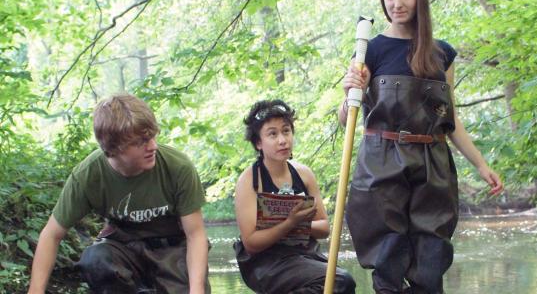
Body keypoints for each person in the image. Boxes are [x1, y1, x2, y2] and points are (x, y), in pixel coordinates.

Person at [339, 0, 504, 292]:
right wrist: (350, 93)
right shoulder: (369, 51)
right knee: (388, 262)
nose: (397, 4)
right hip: (381, 168)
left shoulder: (442, 54)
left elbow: (451, 120)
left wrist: (482, 165)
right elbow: (346, 119)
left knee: (430, 262)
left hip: (432, 166)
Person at [27, 93, 210, 294]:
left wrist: (197, 290)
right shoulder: (88, 175)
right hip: (123, 251)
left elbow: (196, 235)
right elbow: (51, 235)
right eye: (141, 142)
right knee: (95, 260)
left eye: (152, 136)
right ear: (113, 148)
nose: (153, 146)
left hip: (174, 249)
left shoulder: (178, 167)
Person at [233, 99, 355, 294]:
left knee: (340, 283)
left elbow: (324, 228)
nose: (282, 140)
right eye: (272, 134)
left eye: (286, 131)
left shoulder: (304, 174)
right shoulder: (249, 181)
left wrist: (299, 223)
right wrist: (289, 223)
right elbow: (251, 243)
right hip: (266, 263)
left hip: (304, 255)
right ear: (258, 143)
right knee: (339, 282)